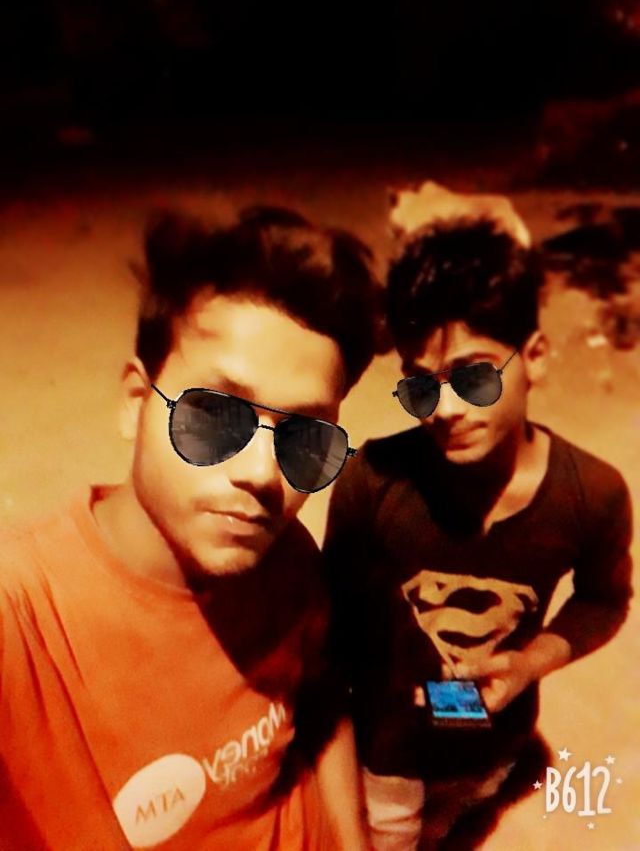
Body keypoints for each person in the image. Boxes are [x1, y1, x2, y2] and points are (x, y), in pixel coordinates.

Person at [0, 205, 383, 850]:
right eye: (217, 415)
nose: (263, 474)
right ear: (135, 403)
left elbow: (320, 701)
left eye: (306, 438)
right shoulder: (20, 620)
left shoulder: (288, 557)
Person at [323, 215, 634, 849]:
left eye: (474, 377)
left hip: (494, 748)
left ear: (535, 358)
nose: (447, 410)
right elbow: (329, 625)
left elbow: (604, 599)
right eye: (421, 386)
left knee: (452, 824)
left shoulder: (592, 495)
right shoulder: (372, 482)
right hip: (387, 751)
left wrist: (529, 663)